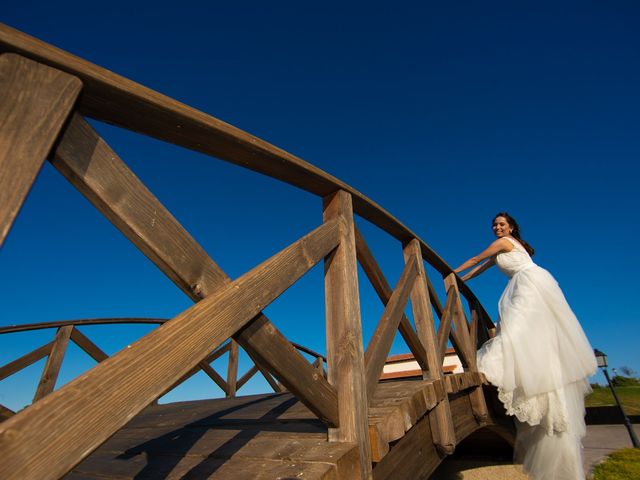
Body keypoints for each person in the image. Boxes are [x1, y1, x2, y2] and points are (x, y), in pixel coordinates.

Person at [454, 212, 597, 480]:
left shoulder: (505, 242)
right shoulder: (504, 248)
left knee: (519, 327)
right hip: (531, 282)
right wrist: (461, 280)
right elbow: (480, 267)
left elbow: (475, 258)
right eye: (495, 225)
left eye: (501, 224)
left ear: (510, 227)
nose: (497, 227)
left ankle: (505, 366)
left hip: (529, 283)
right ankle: (529, 370)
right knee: (525, 330)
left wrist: (450, 273)